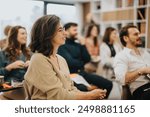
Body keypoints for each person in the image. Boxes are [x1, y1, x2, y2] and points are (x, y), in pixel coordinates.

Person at [24, 15, 107, 100]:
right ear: (47, 34)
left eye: (64, 29)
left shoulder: (61, 59)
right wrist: (90, 95)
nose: (65, 33)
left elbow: (71, 88)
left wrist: (89, 95)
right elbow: (57, 95)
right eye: (60, 30)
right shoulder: (38, 59)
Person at [58, 22, 112, 98]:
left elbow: (87, 59)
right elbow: (70, 63)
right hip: (71, 75)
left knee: (108, 84)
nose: (77, 32)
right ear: (66, 31)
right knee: (85, 89)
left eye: (77, 30)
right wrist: (81, 62)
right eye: (74, 30)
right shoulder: (62, 46)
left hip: (82, 73)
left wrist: (83, 44)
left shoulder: (78, 45)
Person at [114, 25, 150, 100]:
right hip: (142, 90)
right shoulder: (121, 56)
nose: (139, 36)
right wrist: (142, 71)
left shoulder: (145, 52)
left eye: (139, 33)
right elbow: (122, 79)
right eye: (135, 34)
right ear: (125, 38)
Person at [0, 25, 31, 99]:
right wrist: (10, 67)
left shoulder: (29, 53)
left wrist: (31, 65)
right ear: (14, 36)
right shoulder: (3, 54)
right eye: (23, 34)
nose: (26, 36)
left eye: (26, 34)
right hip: (10, 88)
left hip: (27, 86)